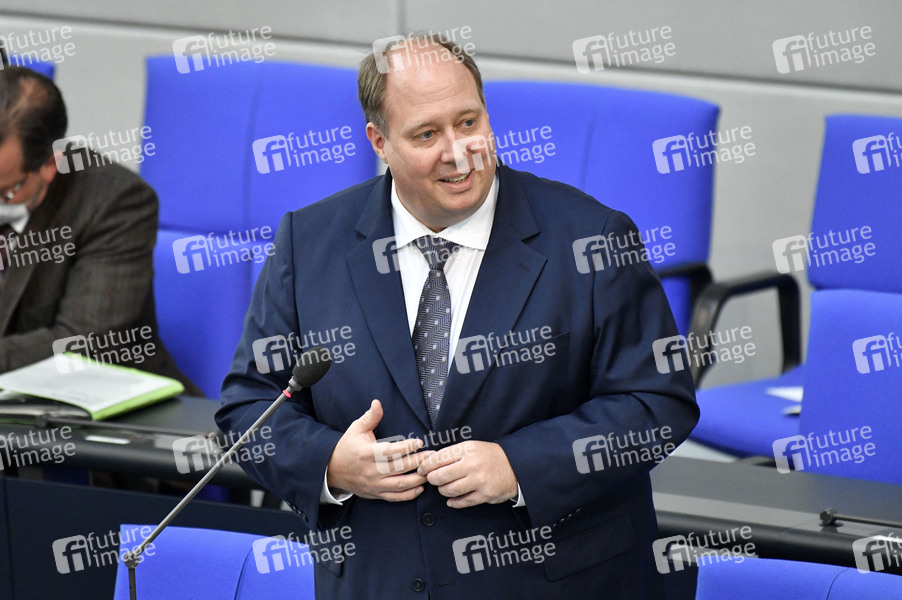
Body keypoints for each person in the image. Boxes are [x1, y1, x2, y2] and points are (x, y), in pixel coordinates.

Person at [217, 34, 698, 599]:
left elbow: (656, 402)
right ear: (380, 141)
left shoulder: (591, 238)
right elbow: (250, 404)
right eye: (426, 134)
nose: (458, 151)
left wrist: (519, 465)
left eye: (469, 122)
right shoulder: (309, 242)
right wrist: (331, 464)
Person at [0, 63, 201, 396]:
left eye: (7, 190)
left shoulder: (116, 201)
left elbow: (81, 340)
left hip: (107, 406)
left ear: (50, 165)